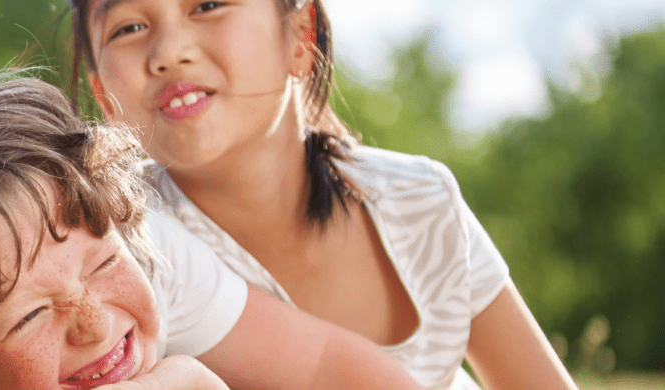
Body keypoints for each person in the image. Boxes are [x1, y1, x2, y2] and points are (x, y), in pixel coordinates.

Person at [65, 0, 577, 388]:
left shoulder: (419, 200)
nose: (168, 53)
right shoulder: (113, 250)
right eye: (129, 27)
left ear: (301, 35)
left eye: (208, 4)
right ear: (102, 95)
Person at [0, 69, 420, 390]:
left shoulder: (143, 247)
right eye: (29, 317)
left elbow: (325, 367)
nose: (93, 323)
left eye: (103, 265)